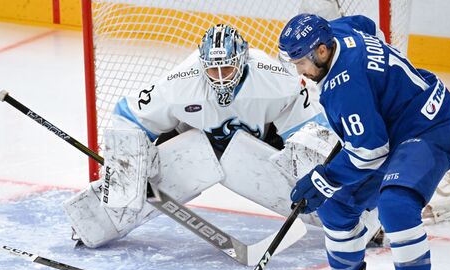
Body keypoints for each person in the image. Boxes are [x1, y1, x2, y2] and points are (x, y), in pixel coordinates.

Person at [63, 23, 344, 250]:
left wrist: (312, 173)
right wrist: (129, 166)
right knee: (137, 173)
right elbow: (128, 115)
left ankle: (351, 221)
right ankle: (94, 222)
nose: (220, 77)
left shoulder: (276, 80)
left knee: (309, 165)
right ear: (201, 64)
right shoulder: (179, 84)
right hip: (193, 148)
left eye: (228, 69)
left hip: (259, 148)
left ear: (243, 61)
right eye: (213, 69)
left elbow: (314, 132)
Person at [278, 14, 450, 270]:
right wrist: (384, 87)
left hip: (427, 129)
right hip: (390, 129)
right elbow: (367, 24)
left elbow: (370, 152)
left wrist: (323, 179)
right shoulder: (339, 32)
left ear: (320, 51)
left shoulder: (344, 89)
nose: (299, 70)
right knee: (335, 204)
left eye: (301, 61)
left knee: (395, 205)